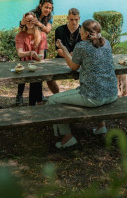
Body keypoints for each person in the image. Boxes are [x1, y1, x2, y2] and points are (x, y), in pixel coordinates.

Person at [48, 19, 118, 148]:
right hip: (112, 94)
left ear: (86, 33)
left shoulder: (81, 46)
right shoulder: (106, 43)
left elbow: (73, 67)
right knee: (88, 86)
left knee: (52, 100)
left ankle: (67, 137)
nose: (79, 33)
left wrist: (63, 48)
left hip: (93, 98)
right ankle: (101, 126)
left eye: (81, 31)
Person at [16, 0, 55, 104]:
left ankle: (39, 95)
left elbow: (47, 30)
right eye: (46, 7)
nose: (48, 10)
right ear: (40, 6)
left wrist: (38, 23)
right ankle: (19, 95)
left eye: (50, 8)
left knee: (39, 70)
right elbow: (21, 28)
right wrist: (23, 22)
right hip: (27, 45)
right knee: (23, 70)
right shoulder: (32, 13)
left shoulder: (49, 17)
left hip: (40, 42)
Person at [15, 12, 47, 106]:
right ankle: (36, 101)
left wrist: (37, 57)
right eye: (27, 20)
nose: (30, 22)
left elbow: (42, 55)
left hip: (36, 65)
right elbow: (20, 54)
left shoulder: (42, 35)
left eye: (32, 20)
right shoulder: (20, 36)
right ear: (24, 21)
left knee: (35, 76)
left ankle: (34, 103)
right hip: (24, 66)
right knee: (34, 78)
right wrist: (31, 53)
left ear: (35, 21)